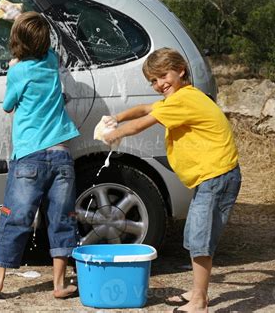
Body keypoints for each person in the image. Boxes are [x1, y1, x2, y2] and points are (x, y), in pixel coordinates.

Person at [102, 47, 241, 313]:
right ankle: (198, 292)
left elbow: (144, 122)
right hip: (213, 175)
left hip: (217, 176)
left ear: (181, 70)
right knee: (196, 235)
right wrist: (116, 117)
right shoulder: (182, 97)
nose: (159, 84)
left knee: (200, 237)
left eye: (163, 76)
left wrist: (113, 134)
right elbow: (144, 108)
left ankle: (199, 302)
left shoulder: (183, 101)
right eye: (153, 81)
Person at [0, 11, 80, 300]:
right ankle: (59, 285)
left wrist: (13, 66)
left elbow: (8, 105)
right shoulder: (52, 61)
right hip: (61, 156)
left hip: (30, 157)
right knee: (62, 219)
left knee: (15, 218)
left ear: (16, 41)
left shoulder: (18, 71)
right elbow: (44, 45)